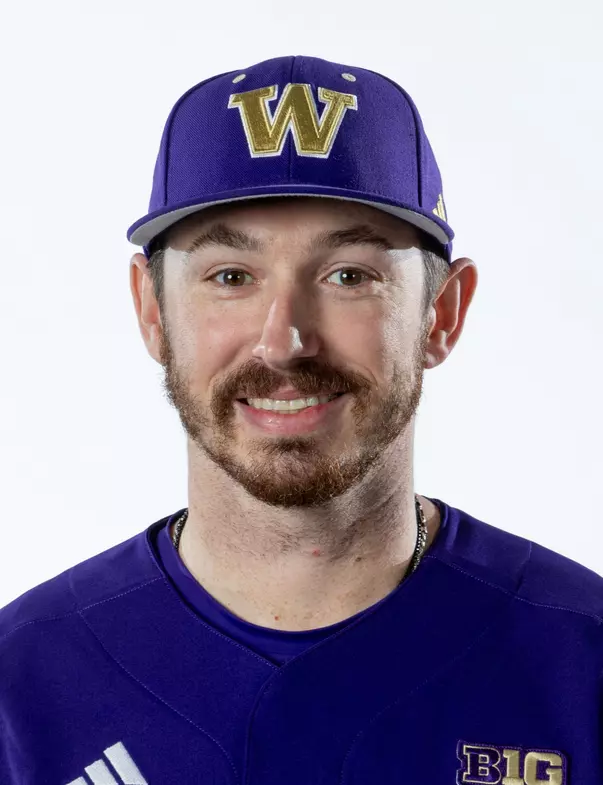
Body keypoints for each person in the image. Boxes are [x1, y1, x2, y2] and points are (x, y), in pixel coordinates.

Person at [0, 55, 601, 785]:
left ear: (440, 313)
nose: (283, 341)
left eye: (348, 275)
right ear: (152, 311)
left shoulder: (582, 663)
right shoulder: (22, 685)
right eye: (230, 277)